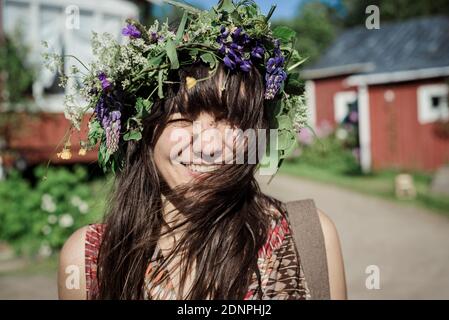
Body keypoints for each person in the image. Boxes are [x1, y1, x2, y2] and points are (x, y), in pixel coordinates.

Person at [54, 0, 347, 300]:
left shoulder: (307, 239)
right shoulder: (90, 261)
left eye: (229, 120)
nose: (207, 145)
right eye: (182, 119)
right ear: (141, 130)